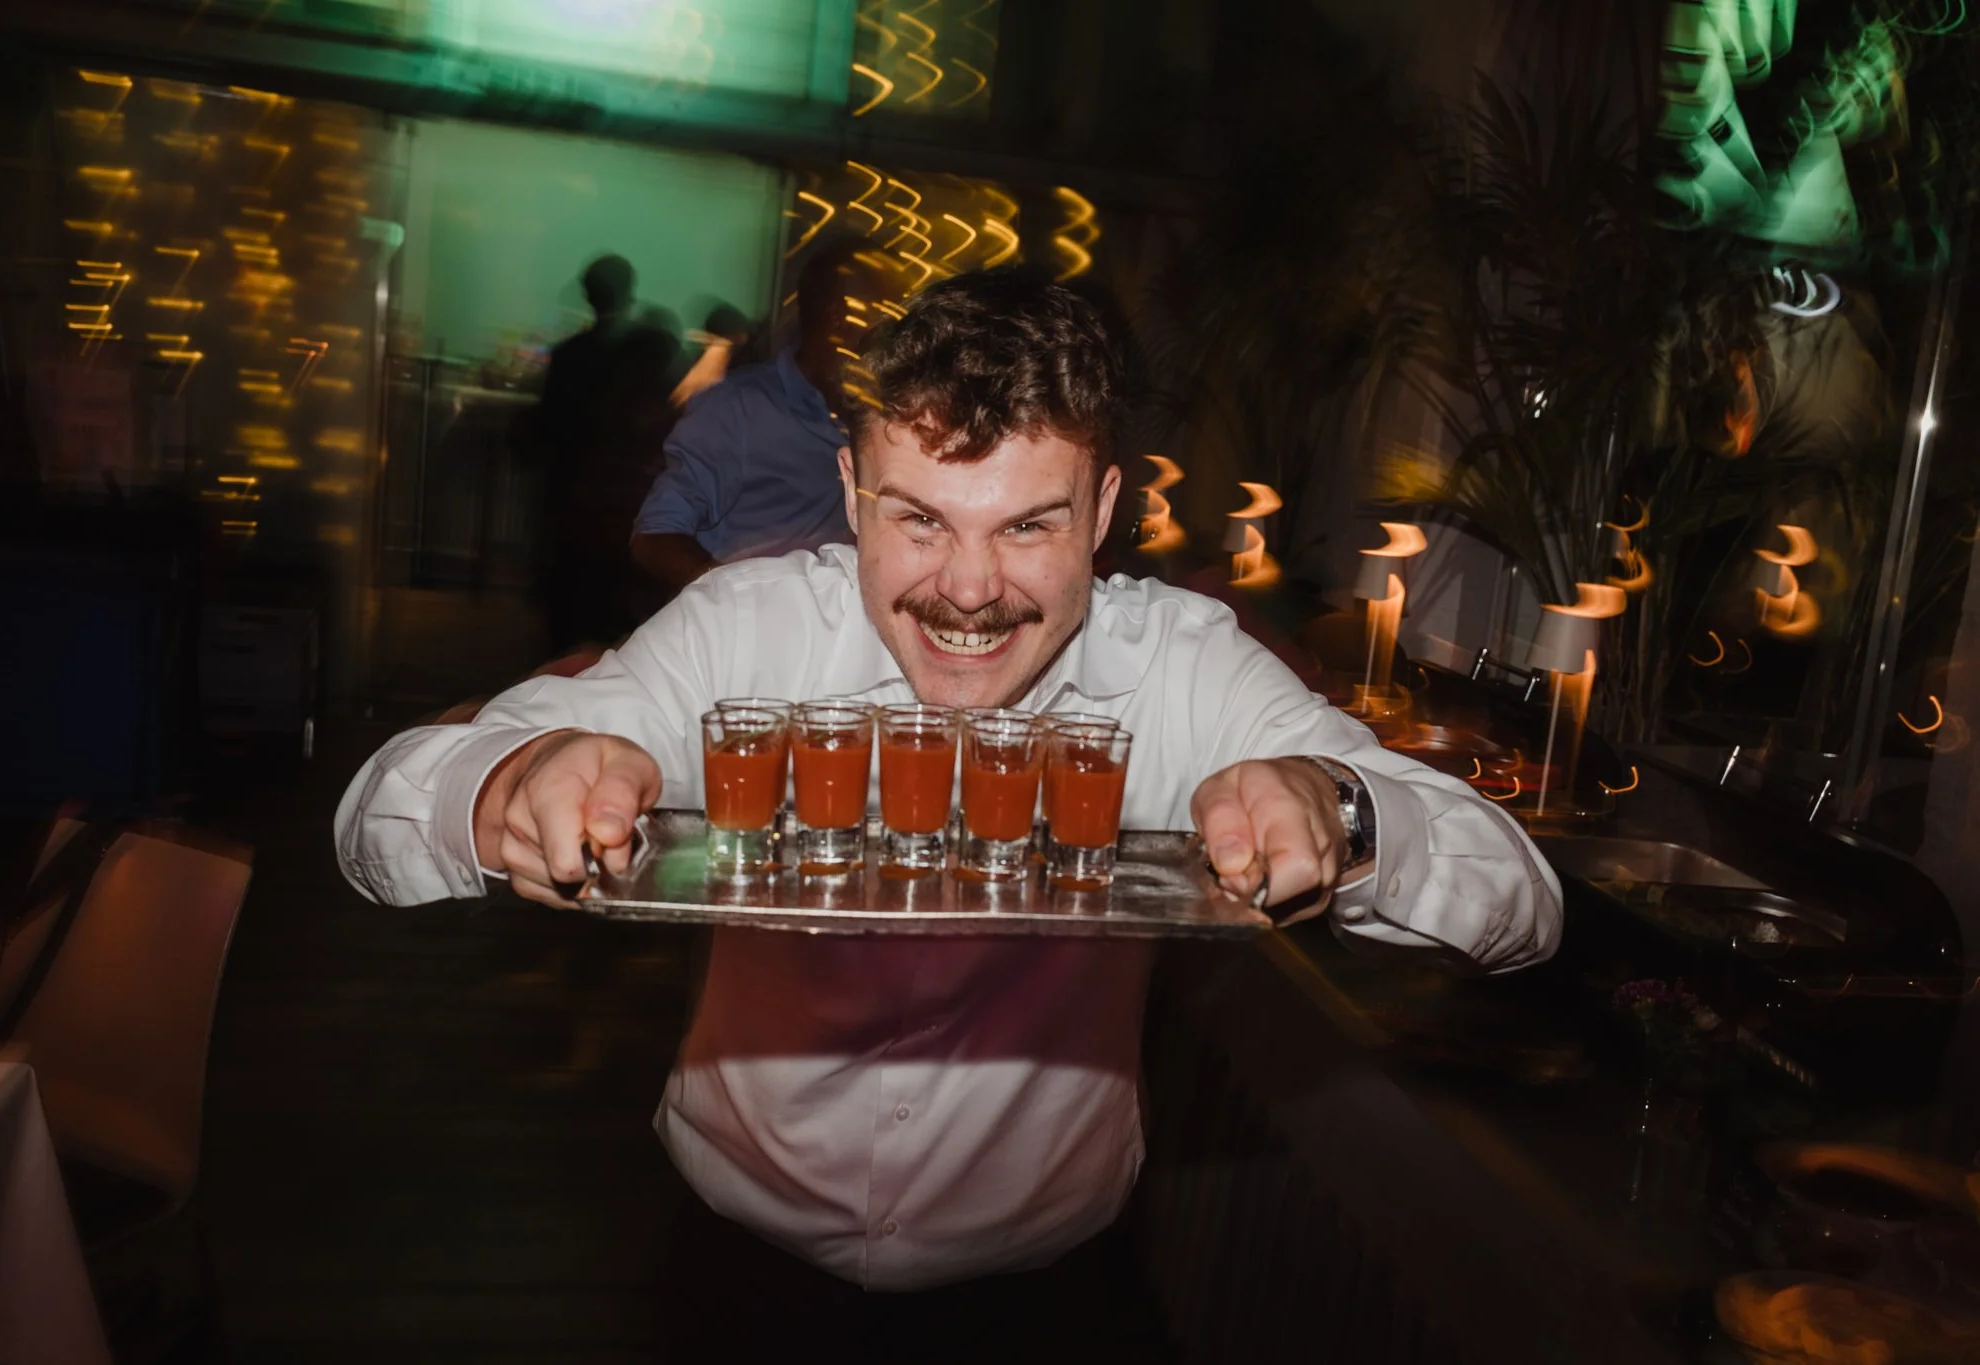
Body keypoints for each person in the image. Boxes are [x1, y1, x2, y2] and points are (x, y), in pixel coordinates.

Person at [335, 268, 1562, 1361]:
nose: (968, 590)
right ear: (850, 493)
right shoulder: (743, 629)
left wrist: (1341, 811)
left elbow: (1524, 904)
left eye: (1027, 524)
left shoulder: (1184, 665)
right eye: (919, 517)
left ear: (1103, 510)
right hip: (732, 1279)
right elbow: (376, 820)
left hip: (1041, 1301)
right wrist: (515, 782)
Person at [628, 237, 873, 589]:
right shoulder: (739, 408)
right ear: (838, 316)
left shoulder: (872, 416)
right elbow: (656, 536)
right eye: (887, 310)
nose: (898, 326)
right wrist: (739, 608)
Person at [533, 254, 681, 651]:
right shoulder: (650, 353)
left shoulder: (568, 356)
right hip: (627, 500)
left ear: (587, 295)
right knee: (616, 614)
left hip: (574, 498)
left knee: (571, 608)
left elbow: (547, 429)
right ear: (630, 292)